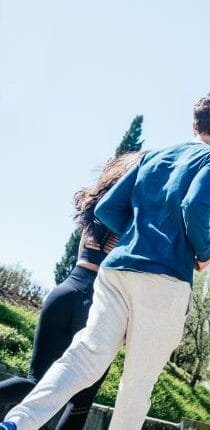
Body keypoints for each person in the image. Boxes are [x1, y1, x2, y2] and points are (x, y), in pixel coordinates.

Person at [1, 92, 210, 430]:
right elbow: (194, 207)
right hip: (164, 280)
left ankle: (17, 423)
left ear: (194, 125)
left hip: (117, 272)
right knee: (136, 384)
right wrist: (203, 253)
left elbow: (107, 209)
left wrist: (138, 235)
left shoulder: (153, 156)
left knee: (84, 356)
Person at [0, 152, 144, 429]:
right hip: (99, 303)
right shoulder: (135, 219)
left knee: (36, 382)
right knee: (80, 400)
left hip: (64, 292)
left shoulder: (96, 208)